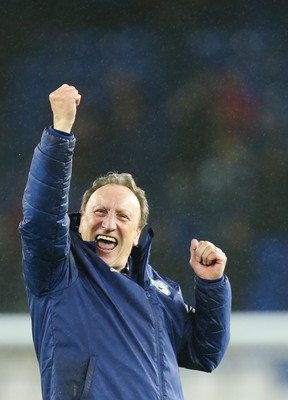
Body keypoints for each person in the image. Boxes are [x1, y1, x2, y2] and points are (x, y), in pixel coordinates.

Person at [19, 84, 231, 400]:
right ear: (80, 224)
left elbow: (205, 353)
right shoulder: (60, 274)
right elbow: (41, 219)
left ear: (135, 235)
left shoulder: (162, 293)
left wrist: (212, 287)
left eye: (122, 216)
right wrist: (60, 132)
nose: (109, 222)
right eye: (100, 212)